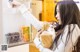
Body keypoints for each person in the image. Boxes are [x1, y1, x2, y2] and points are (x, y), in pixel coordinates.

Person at [10, 0, 80, 52]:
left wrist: (38, 43)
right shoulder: (62, 27)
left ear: (67, 12)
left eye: (58, 11)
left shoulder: (72, 27)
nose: (56, 16)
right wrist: (21, 6)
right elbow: (37, 24)